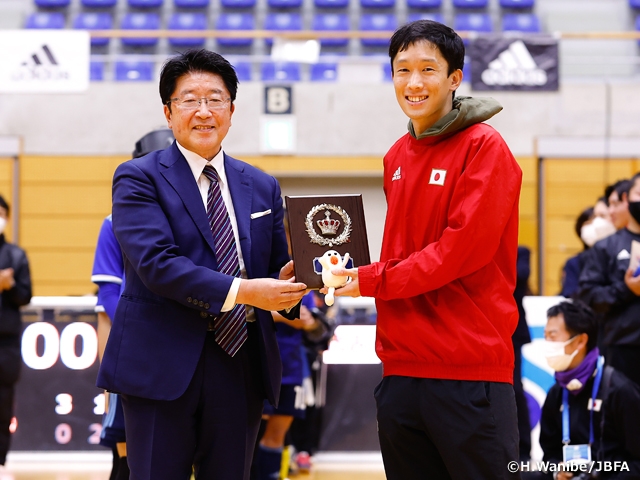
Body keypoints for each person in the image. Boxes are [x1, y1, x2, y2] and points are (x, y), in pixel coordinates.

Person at [96, 49, 307, 480]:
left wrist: (295, 284)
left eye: (216, 99)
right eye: (190, 100)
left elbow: (274, 268)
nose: (204, 111)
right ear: (168, 112)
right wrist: (247, 291)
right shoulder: (137, 177)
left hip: (240, 362)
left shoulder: (262, 185)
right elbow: (157, 264)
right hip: (161, 364)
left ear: (232, 110)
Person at [329, 20, 522, 480]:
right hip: (400, 370)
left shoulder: (485, 147)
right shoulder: (396, 154)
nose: (413, 82)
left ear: (454, 78)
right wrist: (336, 269)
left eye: (428, 69)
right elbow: (402, 252)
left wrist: (369, 279)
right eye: (403, 70)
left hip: (468, 371)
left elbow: (458, 253)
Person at [91, 128, 174, 480]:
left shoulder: (194, 221)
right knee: (127, 447)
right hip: (135, 347)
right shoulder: (114, 223)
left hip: (183, 346)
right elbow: (108, 293)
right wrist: (139, 328)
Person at [524, 300, 640, 480]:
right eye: (545, 336)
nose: (547, 344)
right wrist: (557, 472)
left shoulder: (620, 391)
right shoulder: (556, 393)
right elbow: (549, 454)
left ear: (580, 341)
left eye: (553, 337)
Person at [579, 172, 640, 388]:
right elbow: (588, 296)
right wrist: (627, 288)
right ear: (626, 198)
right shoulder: (606, 247)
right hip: (622, 349)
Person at [0, 195, 31, 465]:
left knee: (3, 405)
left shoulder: (16, 255)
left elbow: (25, 295)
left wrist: (8, 286)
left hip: (6, 343)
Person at [560, 201, 615, 298]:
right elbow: (570, 293)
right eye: (589, 222)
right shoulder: (575, 262)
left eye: (602, 216)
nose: (596, 223)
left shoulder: (618, 255)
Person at [514, 246, 532, 461]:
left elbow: (521, 274)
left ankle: (524, 450)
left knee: (515, 388)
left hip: (511, 332)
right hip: (480, 329)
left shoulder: (521, 251)